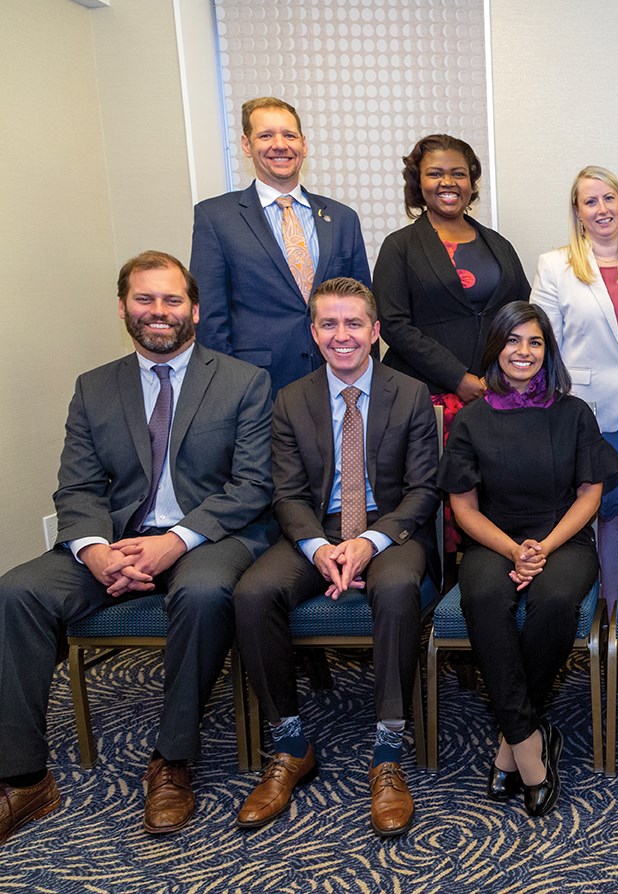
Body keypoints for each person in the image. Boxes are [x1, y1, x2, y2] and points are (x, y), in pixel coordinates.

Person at [0, 251, 272, 842]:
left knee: (203, 593)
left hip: (208, 535)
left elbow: (252, 486)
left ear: (194, 310)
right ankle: (23, 779)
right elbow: (76, 484)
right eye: (144, 299)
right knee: (16, 592)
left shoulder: (243, 381)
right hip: (116, 539)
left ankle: (172, 762)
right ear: (123, 307)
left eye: (171, 300)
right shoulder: (94, 387)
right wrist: (94, 550)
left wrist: (175, 541)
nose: (158, 311)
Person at [232, 278, 439, 838]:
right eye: (329, 324)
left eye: (354, 324)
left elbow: (424, 490)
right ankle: (291, 743)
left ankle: (388, 750)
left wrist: (369, 542)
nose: (342, 336)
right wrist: (321, 547)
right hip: (314, 533)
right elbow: (287, 494)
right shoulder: (291, 398)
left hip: (391, 531)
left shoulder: (411, 394)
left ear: (375, 332)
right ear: (314, 332)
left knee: (395, 589)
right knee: (252, 593)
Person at [441, 302, 617, 817]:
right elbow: (463, 507)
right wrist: (514, 549)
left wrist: (544, 546)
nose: (523, 352)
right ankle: (528, 741)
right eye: (513, 341)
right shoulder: (471, 418)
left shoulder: (573, 413)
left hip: (562, 539)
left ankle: (511, 738)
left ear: (548, 350)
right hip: (492, 539)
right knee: (486, 595)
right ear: (496, 348)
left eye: (535, 342)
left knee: (555, 599)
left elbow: (589, 495)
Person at [374, 133, 530, 567]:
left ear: (472, 181)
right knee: (435, 500)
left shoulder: (496, 244)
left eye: (458, 173)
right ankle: (436, 586)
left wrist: (505, 377)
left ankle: (493, 566)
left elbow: (522, 312)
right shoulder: (400, 246)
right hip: (426, 399)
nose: (448, 182)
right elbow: (394, 324)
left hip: (494, 397)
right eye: (435, 173)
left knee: (493, 497)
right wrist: (458, 378)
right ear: (418, 182)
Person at [531, 166, 618, 614]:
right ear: (577, 212)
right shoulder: (555, 265)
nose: (601, 209)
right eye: (590, 201)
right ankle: (601, 613)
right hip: (586, 412)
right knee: (601, 510)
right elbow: (542, 344)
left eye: (609, 198)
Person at [192, 97, 372, 393]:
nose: (280, 145)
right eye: (266, 135)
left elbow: (364, 308)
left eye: (289, 135)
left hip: (336, 378)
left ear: (304, 145)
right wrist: (225, 392)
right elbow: (210, 318)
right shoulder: (216, 218)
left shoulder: (342, 219)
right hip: (256, 385)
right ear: (246, 145)